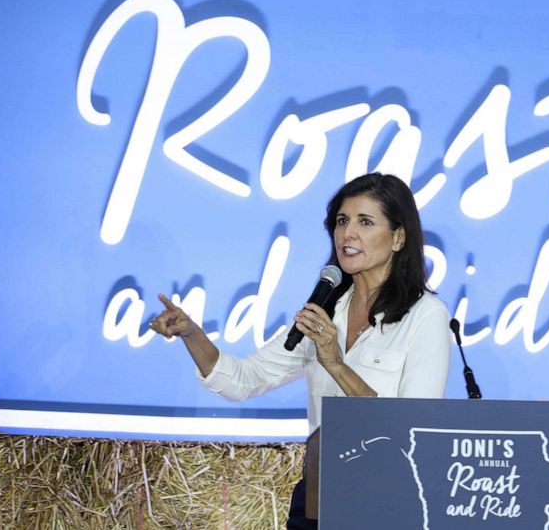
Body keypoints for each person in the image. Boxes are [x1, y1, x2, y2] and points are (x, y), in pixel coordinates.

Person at [149, 173, 452, 529]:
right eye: (342, 221)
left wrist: (336, 363)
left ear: (398, 237)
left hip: (388, 500)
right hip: (320, 493)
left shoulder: (426, 316)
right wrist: (191, 334)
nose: (347, 234)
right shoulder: (325, 311)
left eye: (365, 222)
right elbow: (245, 379)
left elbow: (411, 430)